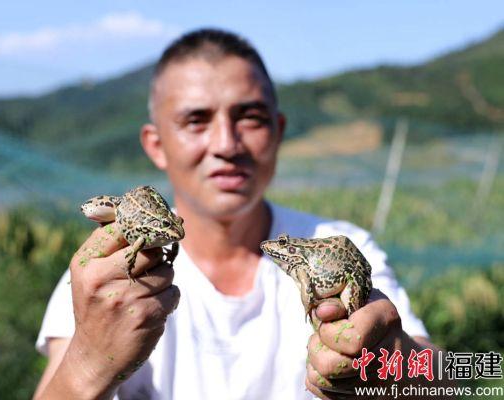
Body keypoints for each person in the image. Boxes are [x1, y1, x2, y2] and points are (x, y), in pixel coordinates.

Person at [33, 29, 448, 399]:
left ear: (278, 131)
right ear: (155, 144)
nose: (227, 144)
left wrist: (400, 371)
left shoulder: (342, 241)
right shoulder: (102, 275)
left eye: (249, 116)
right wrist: (88, 364)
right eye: (196, 120)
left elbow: (442, 382)